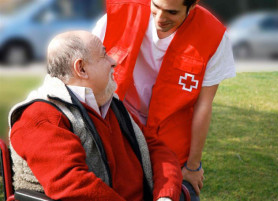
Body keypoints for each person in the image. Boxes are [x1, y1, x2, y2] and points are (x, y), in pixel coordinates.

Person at [8, 30, 183, 201]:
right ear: (81, 68)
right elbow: (74, 185)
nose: (114, 61)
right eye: (104, 55)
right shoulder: (41, 117)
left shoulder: (110, 104)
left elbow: (156, 149)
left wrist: (166, 195)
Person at [92, 0, 236, 199]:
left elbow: (204, 105)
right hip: (120, 133)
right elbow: (86, 74)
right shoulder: (120, 14)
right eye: (156, 7)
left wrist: (193, 167)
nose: (160, 18)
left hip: (173, 147)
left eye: (171, 12)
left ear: (192, 6)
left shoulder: (214, 36)